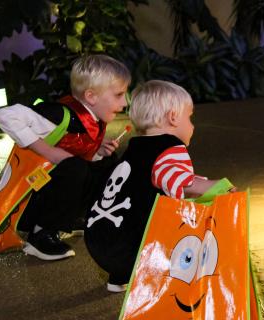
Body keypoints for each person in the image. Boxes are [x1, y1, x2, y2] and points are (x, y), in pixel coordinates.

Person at [85, 80, 225, 293]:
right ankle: (159, 286)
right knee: (186, 236)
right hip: (131, 249)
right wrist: (218, 186)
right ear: (173, 117)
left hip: (97, 240)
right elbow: (182, 182)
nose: (193, 125)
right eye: (189, 117)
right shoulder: (169, 146)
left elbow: (159, 176)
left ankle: (118, 279)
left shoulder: (135, 148)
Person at [0, 54, 131, 261]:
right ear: (91, 96)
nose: (125, 102)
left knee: (107, 162)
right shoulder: (59, 113)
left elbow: (75, 149)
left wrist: (96, 150)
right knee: (74, 167)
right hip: (30, 198)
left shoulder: (94, 120)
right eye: (119, 94)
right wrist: (46, 150)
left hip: (53, 192)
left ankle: (76, 217)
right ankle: (41, 234)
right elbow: (4, 115)